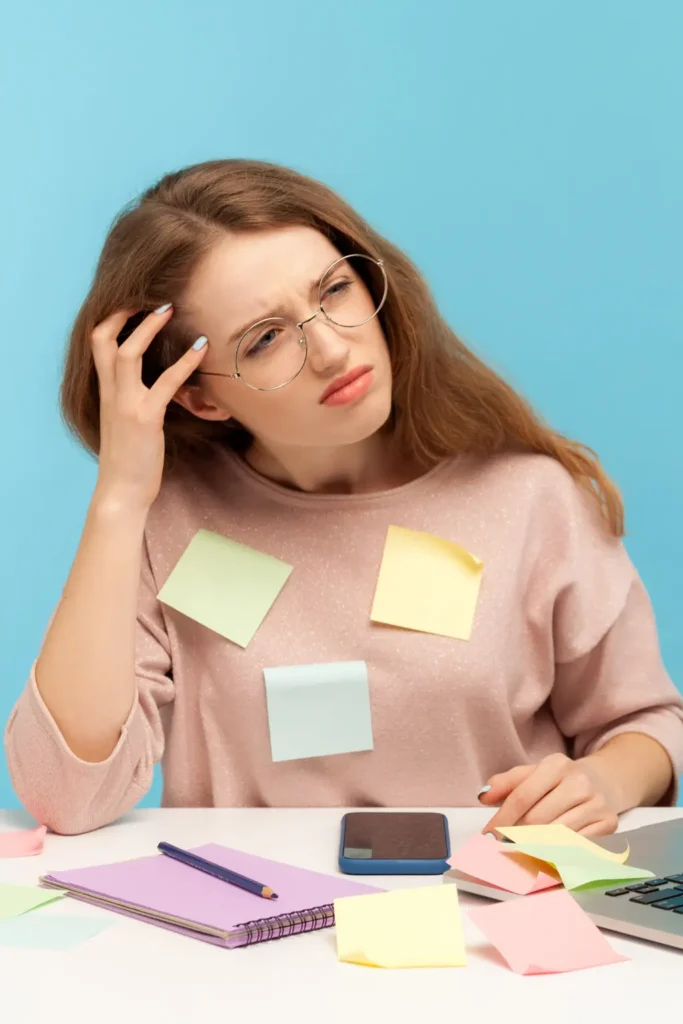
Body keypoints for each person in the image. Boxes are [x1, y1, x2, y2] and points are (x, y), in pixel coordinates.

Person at [5, 158, 683, 838]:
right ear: (198, 394)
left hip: (495, 912)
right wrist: (120, 498)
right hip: (260, 923)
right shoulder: (169, 522)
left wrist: (603, 780)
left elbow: (647, 723)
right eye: (265, 339)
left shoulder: (529, 497)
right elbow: (68, 796)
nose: (332, 349)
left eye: (333, 290)